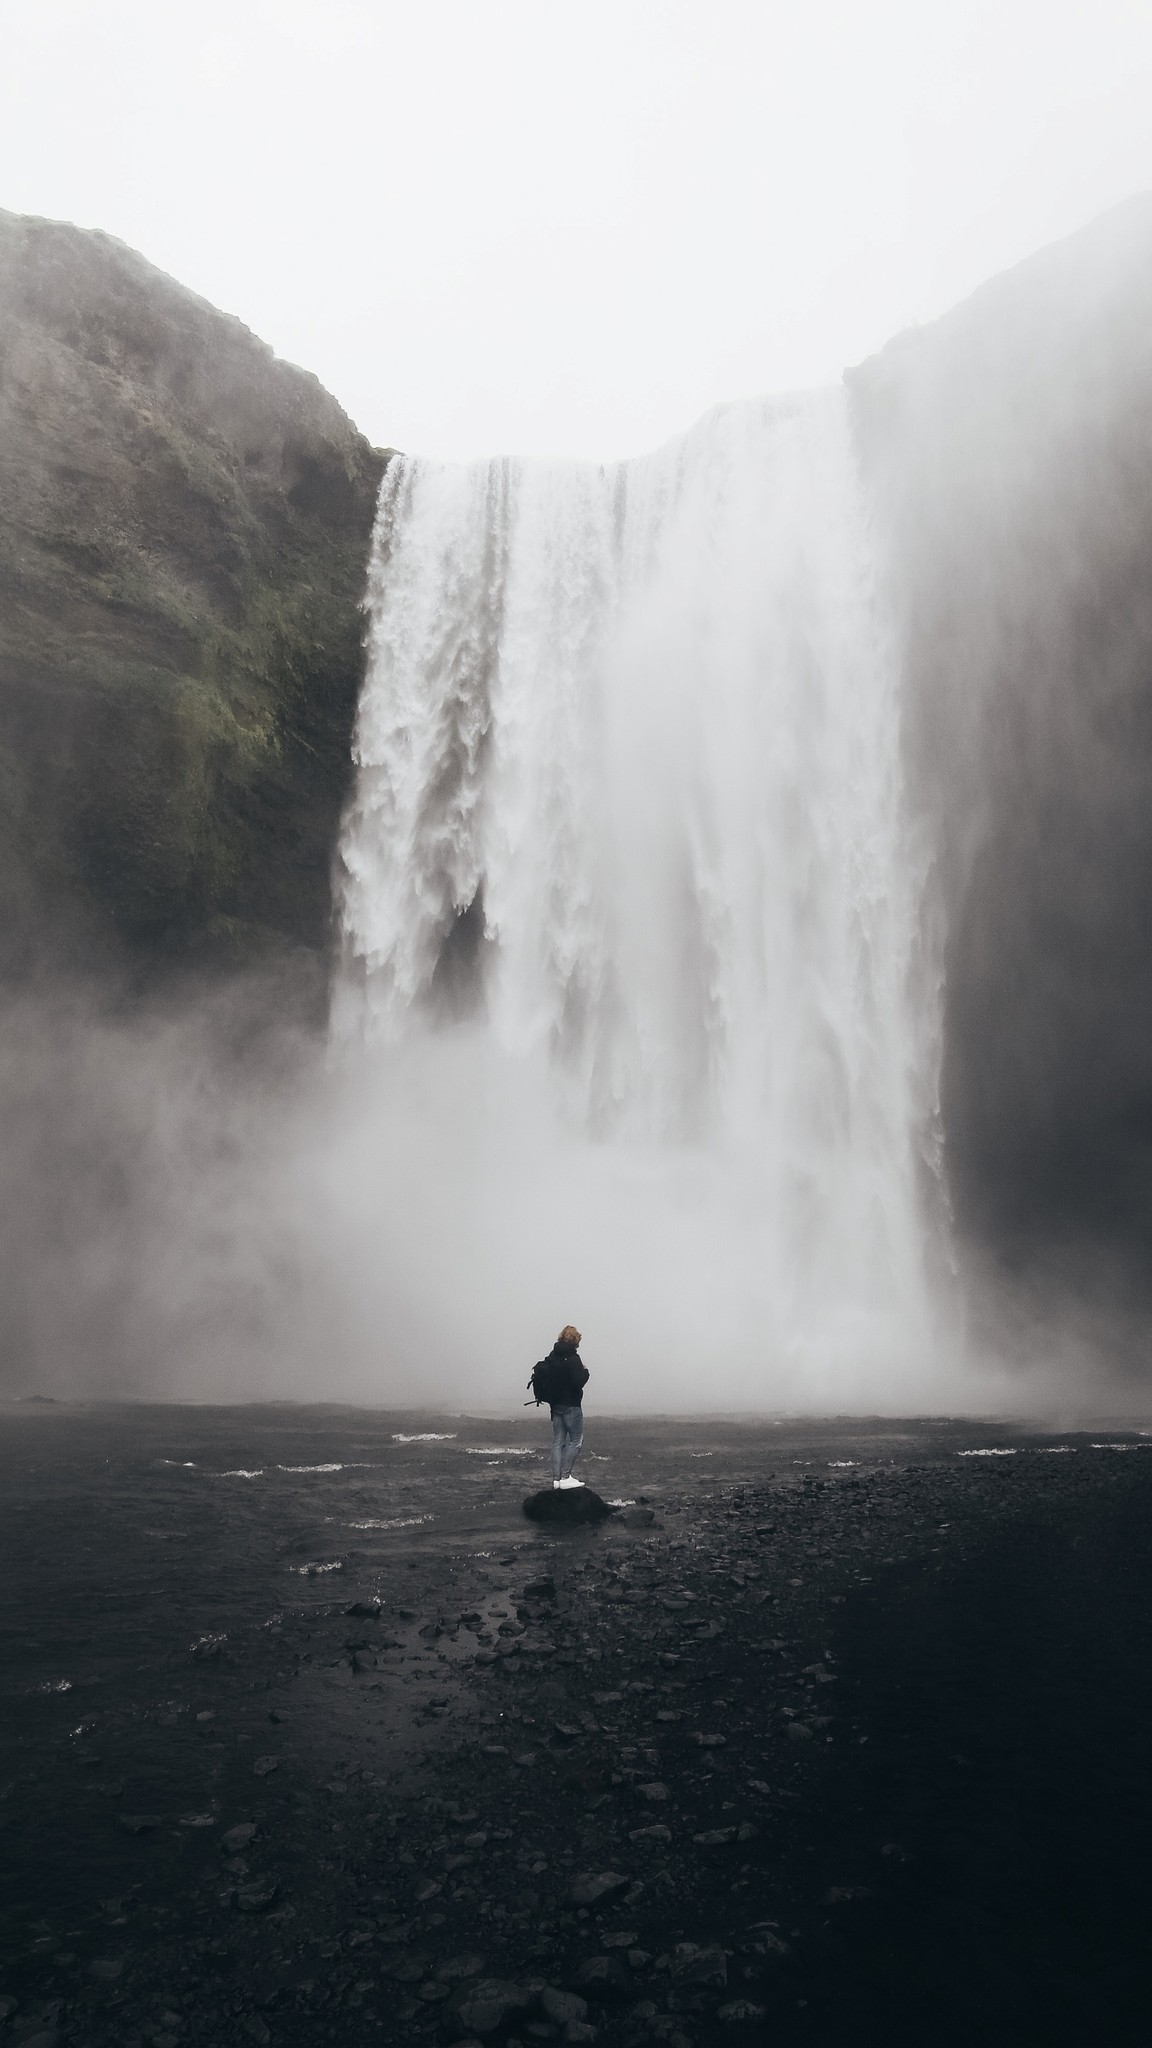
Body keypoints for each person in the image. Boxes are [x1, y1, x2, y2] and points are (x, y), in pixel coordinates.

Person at [531, 1324, 589, 1490]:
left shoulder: (553, 1355)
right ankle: (565, 1477)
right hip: (571, 1405)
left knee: (558, 1442)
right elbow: (578, 1382)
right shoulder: (573, 1358)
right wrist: (586, 1373)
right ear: (575, 1340)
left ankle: (556, 1480)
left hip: (555, 1405)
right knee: (576, 1441)